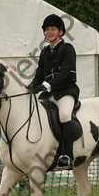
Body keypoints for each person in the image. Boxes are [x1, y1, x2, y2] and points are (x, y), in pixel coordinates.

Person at [27, 14, 80, 168]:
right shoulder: (44, 52)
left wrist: (46, 85)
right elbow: (39, 74)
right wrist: (31, 86)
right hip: (49, 93)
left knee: (64, 115)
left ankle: (66, 154)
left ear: (60, 32)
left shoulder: (67, 49)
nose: (49, 32)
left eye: (53, 29)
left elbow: (64, 73)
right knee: (35, 112)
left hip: (66, 91)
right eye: (47, 30)